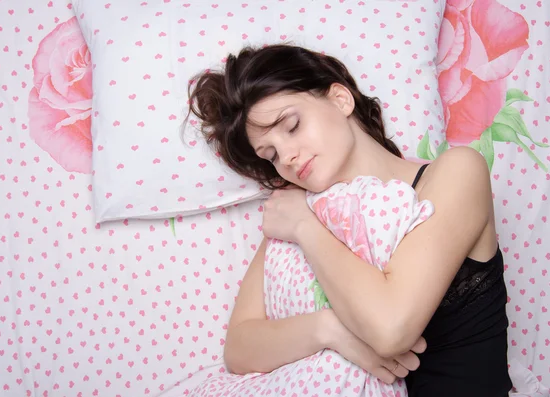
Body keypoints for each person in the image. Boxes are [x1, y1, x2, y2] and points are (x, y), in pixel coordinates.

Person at [186, 44, 513, 397]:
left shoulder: (455, 173)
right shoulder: (297, 208)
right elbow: (240, 348)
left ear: (340, 99)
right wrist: (328, 331)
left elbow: (391, 327)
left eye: (292, 126)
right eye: (272, 155)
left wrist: (305, 229)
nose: (288, 158)